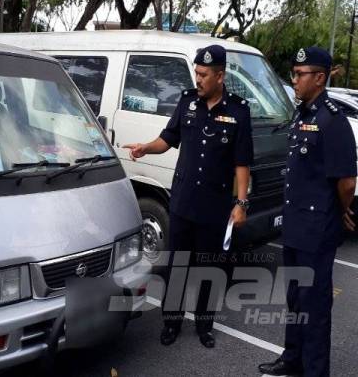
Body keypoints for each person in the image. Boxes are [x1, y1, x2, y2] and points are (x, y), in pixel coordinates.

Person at [124, 45, 253, 348]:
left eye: (204, 75)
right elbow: (168, 139)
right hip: (182, 202)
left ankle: (205, 325)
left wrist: (241, 203)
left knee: (209, 268)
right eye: (196, 73)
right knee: (177, 266)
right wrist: (145, 147)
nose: (198, 79)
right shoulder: (187, 103)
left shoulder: (238, 111)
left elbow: (242, 163)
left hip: (214, 207)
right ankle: (172, 322)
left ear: (220, 76)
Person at [259, 47, 356, 376]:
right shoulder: (303, 115)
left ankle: (315, 371)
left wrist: (341, 210)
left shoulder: (333, 120)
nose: (295, 80)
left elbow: (346, 182)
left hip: (317, 230)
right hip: (296, 226)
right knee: (296, 300)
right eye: (294, 74)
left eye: (300, 74)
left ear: (319, 77)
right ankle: (292, 359)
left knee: (315, 307)